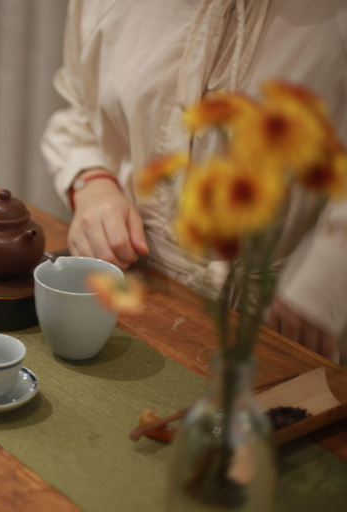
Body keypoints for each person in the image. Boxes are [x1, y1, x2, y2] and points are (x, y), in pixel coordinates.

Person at [41, 0, 347, 364]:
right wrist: (92, 184)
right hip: (127, 301)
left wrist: (326, 280)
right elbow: (78, 108)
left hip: (280, 335)